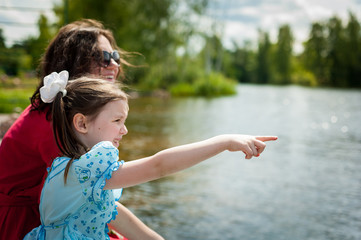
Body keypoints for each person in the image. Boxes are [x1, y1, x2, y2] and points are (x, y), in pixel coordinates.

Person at [24, 74, 277, 239]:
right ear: (81, 123)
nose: (124, 130)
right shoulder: (83, 173)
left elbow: (134, 228)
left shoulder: (72, 173)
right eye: (117, 120)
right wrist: (223, 141)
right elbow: (159, 166)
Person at [0, 19, 159, 240]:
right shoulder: (52, 121)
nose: (113, 65)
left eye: (115, 57)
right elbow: (89, 193)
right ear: (75, 62)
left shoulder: (67, 110)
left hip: (53, 214)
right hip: (25, 224)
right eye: (104, 57)